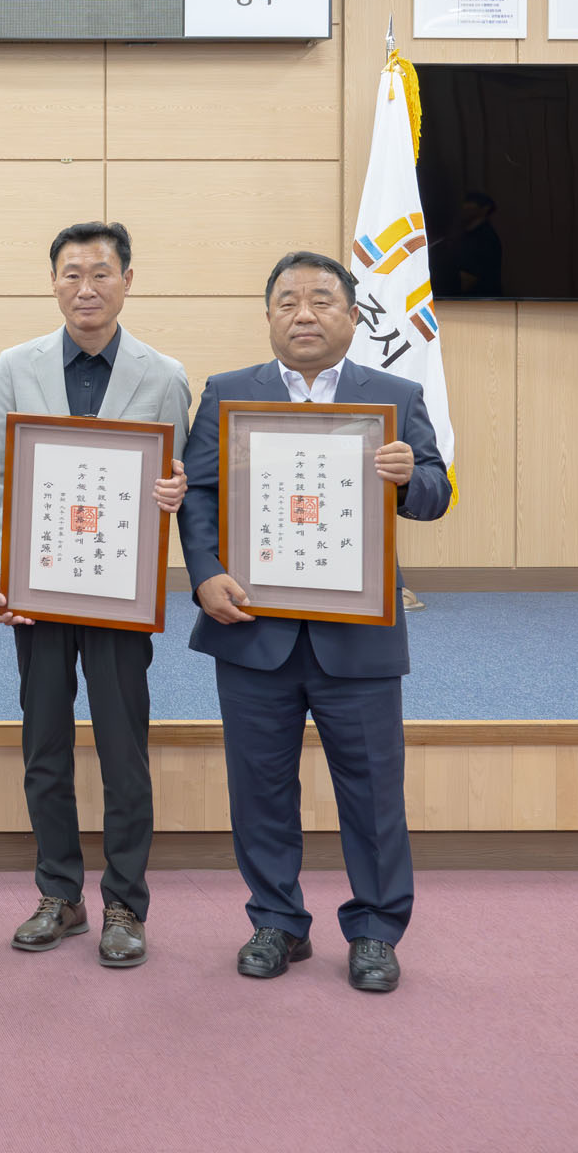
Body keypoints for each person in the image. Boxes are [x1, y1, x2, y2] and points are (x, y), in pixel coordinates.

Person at [180, 251, 450, 993]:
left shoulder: (393, 395)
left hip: (357, 637)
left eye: (322, 300)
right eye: (288, 301)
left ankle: (375, 930)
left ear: (353, 317)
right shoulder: (228, 392)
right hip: (251, 629)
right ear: (268, 316)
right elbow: (199, 494)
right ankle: (276, 920)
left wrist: (410, 478)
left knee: (372, 792)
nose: (304, 313)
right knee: (259, 788)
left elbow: (436, 491)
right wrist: (203, 573)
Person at [0, 222, 190, 968]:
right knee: (45, 745)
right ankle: (59, 895)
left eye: (101, 273)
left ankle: (125, 903)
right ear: (53, 282)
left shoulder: (165, 375)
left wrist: (174, 492)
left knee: (124, 750)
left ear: (128, 280)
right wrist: (0, 568)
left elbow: (180, 482)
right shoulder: (17, 364)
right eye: (71, 274)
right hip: (37, 591)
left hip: (120, 595)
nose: (85, 288)